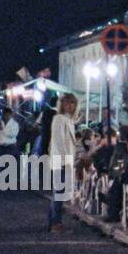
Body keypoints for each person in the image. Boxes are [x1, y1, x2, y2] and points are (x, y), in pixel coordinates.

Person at [45, 94, 79, 231]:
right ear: (61, 104)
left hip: (64, 160)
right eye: (66, 103)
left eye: (72, 103)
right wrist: (67, 161)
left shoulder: (69, 120)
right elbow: (59, 141)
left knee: (59, 192)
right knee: (59, 193)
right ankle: (55, 224)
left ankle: (53, 222)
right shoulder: (59, 119)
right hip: (61, 160)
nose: (69, 106)